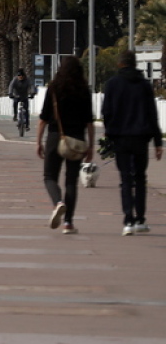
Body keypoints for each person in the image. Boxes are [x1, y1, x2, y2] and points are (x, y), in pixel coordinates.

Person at [101, 50, 163, 235]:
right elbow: (152, 114)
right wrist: (158, 142)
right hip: (141, 138)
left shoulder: (112, 84)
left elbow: (106, 112)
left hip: (120, 138)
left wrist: (109, 136)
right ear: (135, 63)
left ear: (119, 63)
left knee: (125, 179)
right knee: (140, 178)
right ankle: (140, 219)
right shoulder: (144, 85)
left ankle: (128, 220)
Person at [35, 57, 95, 235]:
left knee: (49, 176)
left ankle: (58, 202)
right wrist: (91, 146)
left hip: (55, 137)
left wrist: (38, 142)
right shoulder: (84, 90)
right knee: (71, 181)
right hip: (77, 140)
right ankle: (68, 222)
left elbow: (43, 118)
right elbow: (90, 122)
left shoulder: (54, 88)